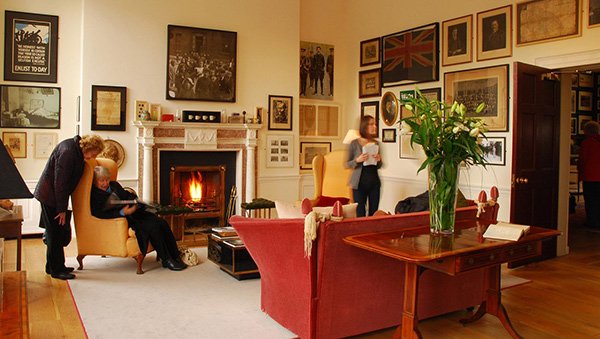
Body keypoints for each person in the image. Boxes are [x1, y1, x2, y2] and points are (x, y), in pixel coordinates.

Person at [34, 135, 105, 280]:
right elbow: (60, 183)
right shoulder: (68, 152)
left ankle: (53, 266)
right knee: (55, 234)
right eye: (95, 153)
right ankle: (57, 270)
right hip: (50, 197)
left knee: (56, 232)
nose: (94, 157)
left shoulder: (75, 150)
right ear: (90, 148)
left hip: (53, 196)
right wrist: (61, 210)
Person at [90, 166, 187, 271]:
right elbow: (99, 213)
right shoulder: (95, 194)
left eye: (107, 179)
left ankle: (175, 255)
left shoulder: (115, 185)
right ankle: (166, 259)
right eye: (101, 181)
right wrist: (122, 212)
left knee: (162, 222)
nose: (105, 183)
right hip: (125, 219)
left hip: (135, 213)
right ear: (95, 181)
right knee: (153, 227)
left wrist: (135, 202)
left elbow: (127, 195)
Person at [345, 116, 383, 217]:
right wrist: (357, 160)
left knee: (373, 213)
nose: (374, 126)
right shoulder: (354, 143)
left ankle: (371, 232)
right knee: (360, 213)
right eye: (371, 124)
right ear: (364, 126)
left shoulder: (376, 143)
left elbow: (379, 166)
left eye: (375, 124)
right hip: (359, 184)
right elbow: (346, 164)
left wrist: (379, 160)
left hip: (374, 183)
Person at [578, 121, 600, 230]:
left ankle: (592, 221)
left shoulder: (587, 143)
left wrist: (580, 174)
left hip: (590, 176)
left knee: (591, 200)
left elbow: (583, 160)